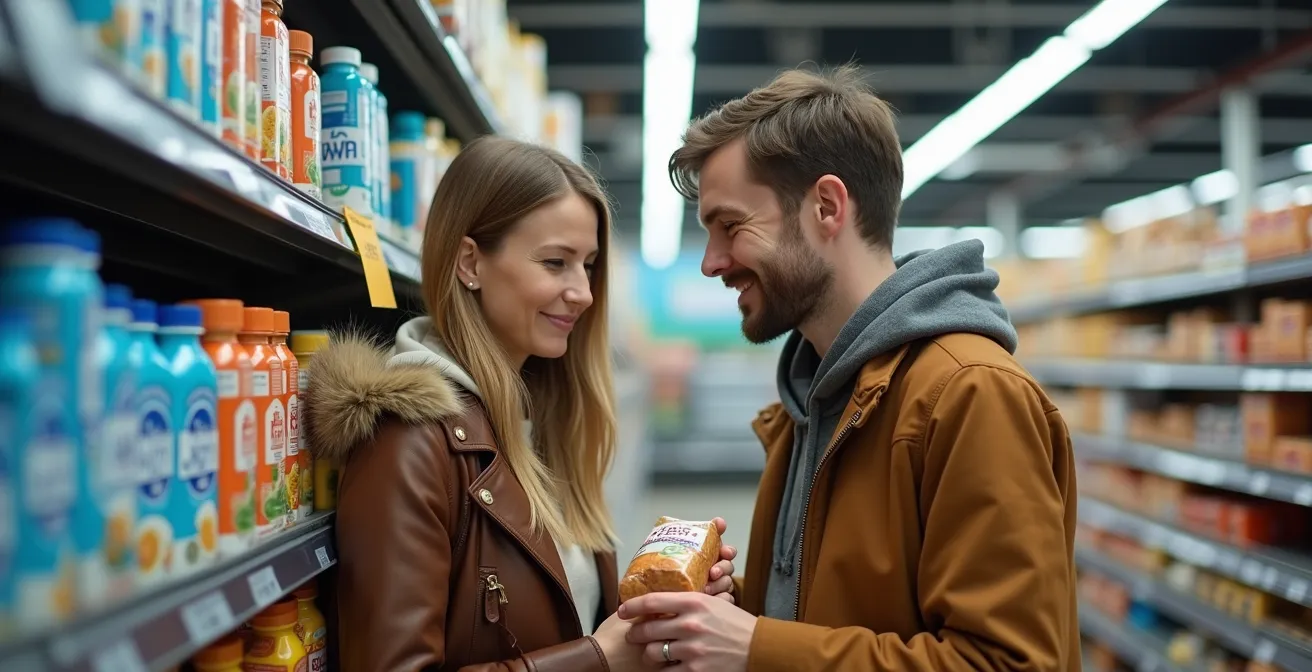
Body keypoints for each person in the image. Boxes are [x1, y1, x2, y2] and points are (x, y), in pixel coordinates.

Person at [620, 66, 1080, 671]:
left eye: (731, 226)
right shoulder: (807, 406)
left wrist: (757, 646)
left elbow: (1009, 662)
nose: (711, 262)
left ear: (827, 207)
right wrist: (735, 613)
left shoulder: (970, 395)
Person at [304, 136, 734, 672]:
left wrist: (657, 612)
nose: (583, 292)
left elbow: (567, 621)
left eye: (589, 265)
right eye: (555, 262)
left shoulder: (546, 426)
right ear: (470, 264)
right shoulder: (408, 441)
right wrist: (599, 659)